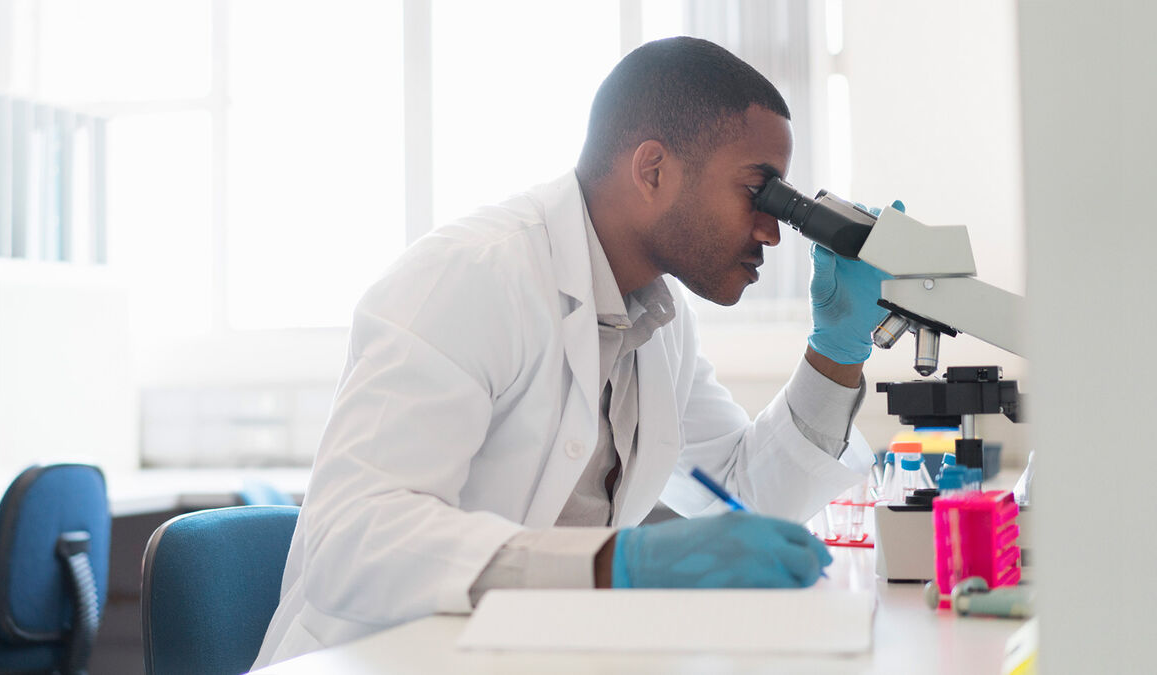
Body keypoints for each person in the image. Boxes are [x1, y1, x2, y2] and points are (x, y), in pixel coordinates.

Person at [253, 36, 894, 667]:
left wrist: (834, 351)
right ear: (653, 171)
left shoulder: (661, 322)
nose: (773, 231)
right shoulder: (469, 278)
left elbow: (746, 499)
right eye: (760, 192)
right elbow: (352, 541)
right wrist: (619, 562)